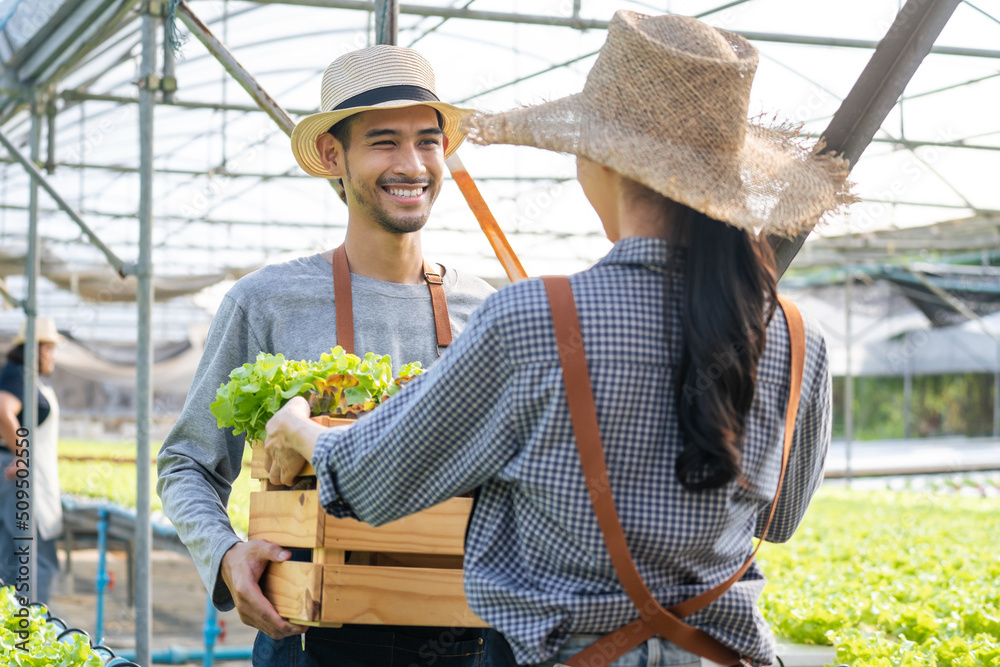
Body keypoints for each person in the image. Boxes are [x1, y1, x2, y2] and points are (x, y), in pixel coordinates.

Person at [263, 11, 855, 667]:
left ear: (601, 160)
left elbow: (376, 480)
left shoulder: (535, 320)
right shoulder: (797, 335)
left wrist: (300, 430)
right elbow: (782, 518)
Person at [156, 45, 514, 666]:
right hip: (311, 636)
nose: (412, 164)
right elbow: (188, 463)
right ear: (332, 156)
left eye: (428, 141)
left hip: (463, 634)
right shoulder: (268, 300)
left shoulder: (484, 309)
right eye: (384, 142)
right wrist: (225, 554)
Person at [0, 317, 63, 604]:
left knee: (15, 559)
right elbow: (3, 410)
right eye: (48, 348)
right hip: (24, 484)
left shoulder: (23, 377)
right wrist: (22, 455)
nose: (52, 356)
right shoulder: (19, 375)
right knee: (34, 563)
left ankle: (17, 631)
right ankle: (29, 634)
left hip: (27, 481)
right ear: (33, 349)